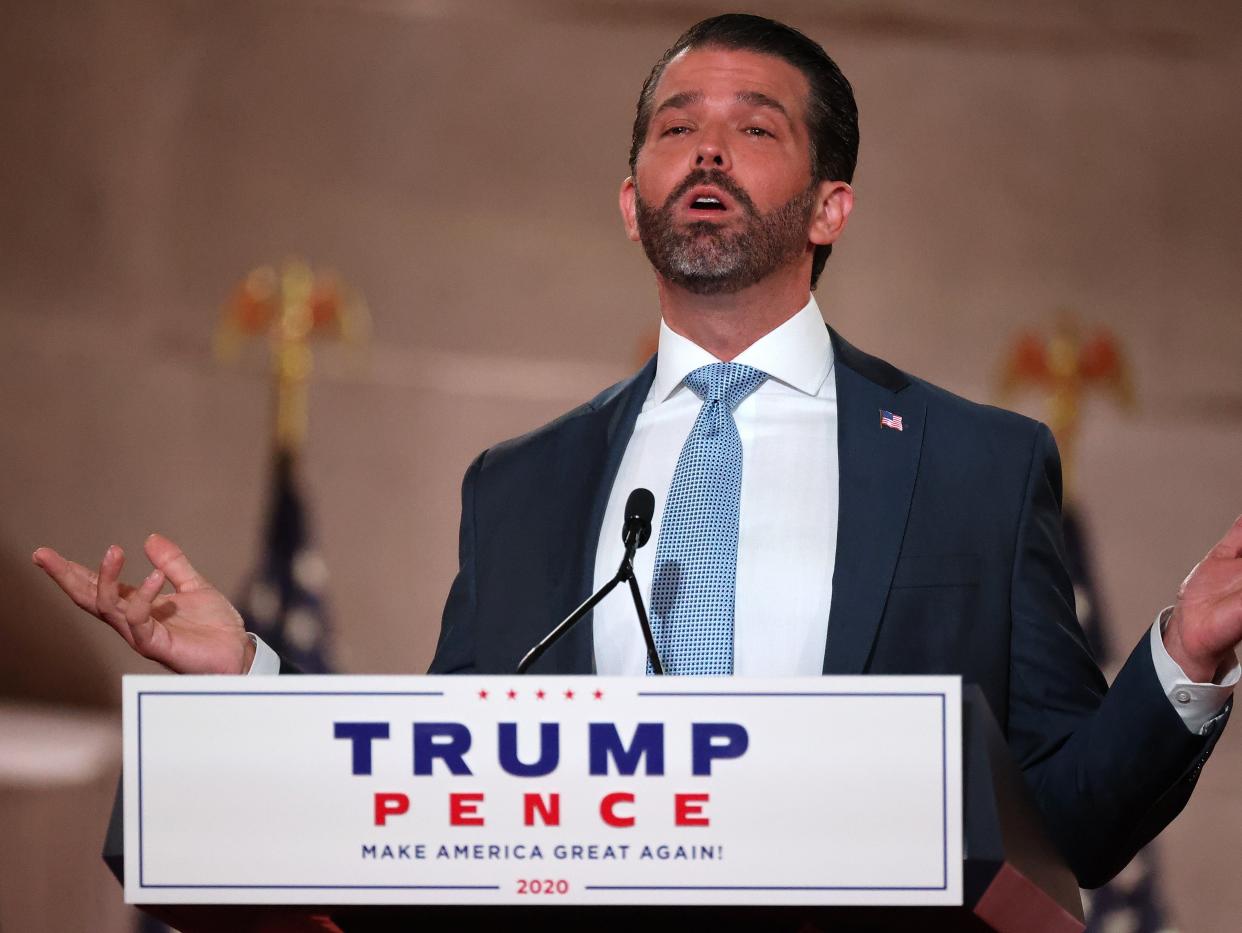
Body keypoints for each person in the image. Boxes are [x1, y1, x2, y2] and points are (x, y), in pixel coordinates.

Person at [32, 14, 1241, 889]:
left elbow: (1071, 820)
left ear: (830, 206)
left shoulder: (976, 463)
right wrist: (248, 679)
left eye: (754, 128)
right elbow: (446, 794)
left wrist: (1182, 655)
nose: (706, 152)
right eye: (677, 128)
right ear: (630, 200)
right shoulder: (523, 484)